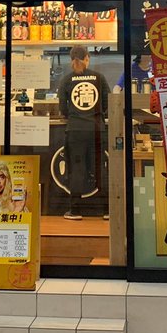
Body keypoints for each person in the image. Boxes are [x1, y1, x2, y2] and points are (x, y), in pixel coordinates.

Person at [57, 45, 110, 220]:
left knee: (77, 169)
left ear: (71, 60)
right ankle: (107, 210)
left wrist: (73, 115)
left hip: (75, 131)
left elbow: (63, 108)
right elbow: (107, 103)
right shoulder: (99, 78)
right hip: (96, 129)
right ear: (87, 58)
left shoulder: (66, 80)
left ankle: (75, 210)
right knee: (100, 168)